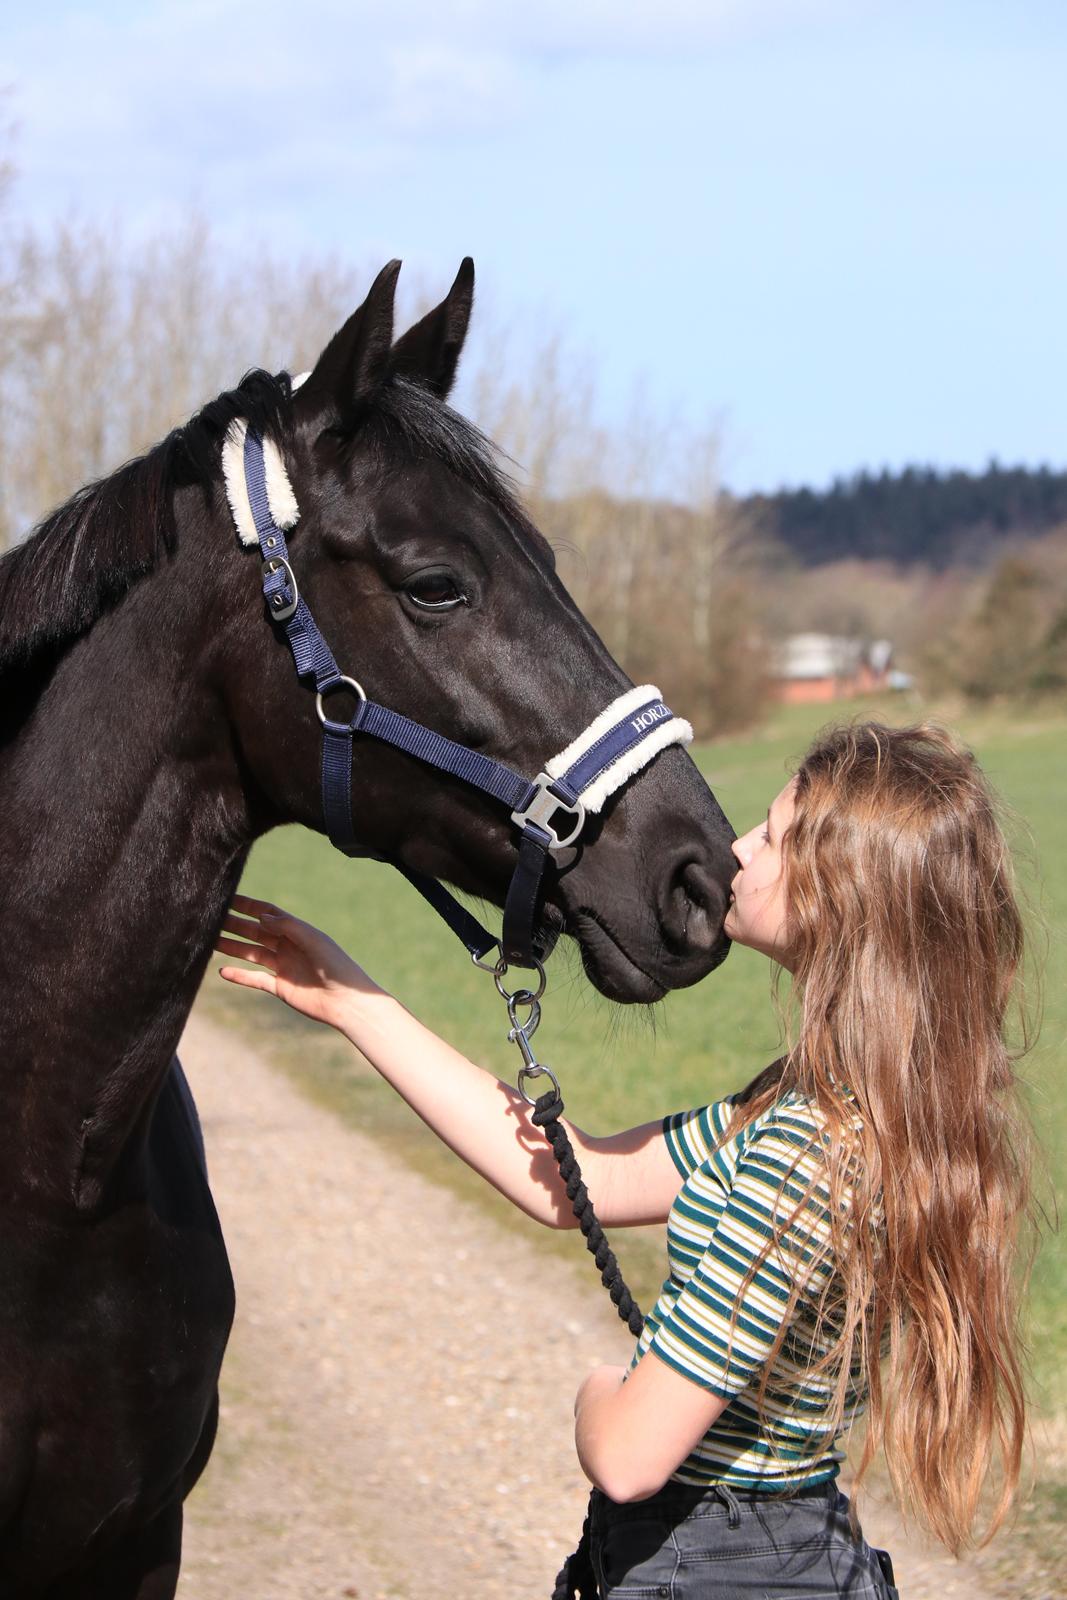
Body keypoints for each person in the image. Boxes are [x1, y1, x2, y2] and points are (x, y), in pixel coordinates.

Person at [215, 721, 1036, 1598]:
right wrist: (355, 1004)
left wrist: (594, 1389)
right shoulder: (826, 1105)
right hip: (783, 1549)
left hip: (712, 1566)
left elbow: (629, 1456)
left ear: (842, 895)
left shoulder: (805, 1152)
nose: (738, 849)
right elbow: (583, 1181)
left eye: (773, 835)